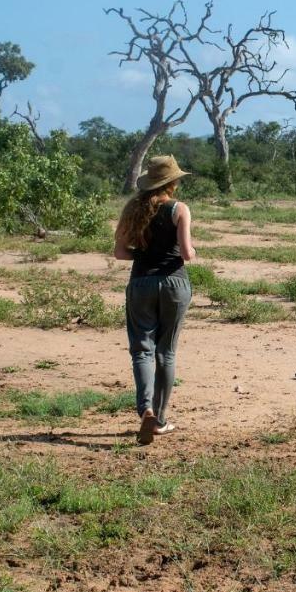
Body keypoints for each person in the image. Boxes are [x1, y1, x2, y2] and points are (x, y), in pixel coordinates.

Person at [114, 155, 196, 445]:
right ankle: (160, 420)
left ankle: (145, 409)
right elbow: (186, 253)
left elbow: (120, 253)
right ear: (172, 183)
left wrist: (145, 255)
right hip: (175, 283)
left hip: (141, 283)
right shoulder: (179, 209)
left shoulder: (131, 209)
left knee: (142, 351)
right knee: (167, 353)